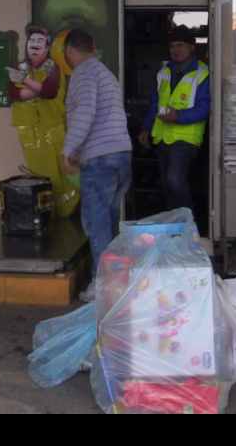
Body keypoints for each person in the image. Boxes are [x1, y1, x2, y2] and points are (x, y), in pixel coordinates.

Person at [60, 28, 132, 301]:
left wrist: (68, 150)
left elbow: (85, 113)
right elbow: (104, 117)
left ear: (69, 51)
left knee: (96, 223)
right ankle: (117, 281)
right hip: (120, 154)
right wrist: (82, 150)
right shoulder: (105, 73)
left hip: (102, 160)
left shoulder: (84, 73)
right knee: (110, 221)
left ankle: (105, 287)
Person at [7, 25, 79, 217]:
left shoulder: (53, 67)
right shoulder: (20, 67)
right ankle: (46, 214)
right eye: (32, 41)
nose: (35, 45)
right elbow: (13, 93)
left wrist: (27, 84)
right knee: (38, 176)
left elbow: (49, 91)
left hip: (52, 128)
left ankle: (64, 212)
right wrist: (32, 89)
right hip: (28, 131)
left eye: (40, 41)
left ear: (47, 47)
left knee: (59, 175)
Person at [139, 25, 211, 215]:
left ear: (192, 47)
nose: (176, 50)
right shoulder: (164, 72)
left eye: (180, 45)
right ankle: (174, 227)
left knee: (174, 180)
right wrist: (146, 128)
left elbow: (205, 108)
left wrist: (178, 116)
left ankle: (189, 222)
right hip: (163, 137)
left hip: (186, 139)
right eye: (172, 46)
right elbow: (156, 103)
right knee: (167, 186)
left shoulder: (202, 73)